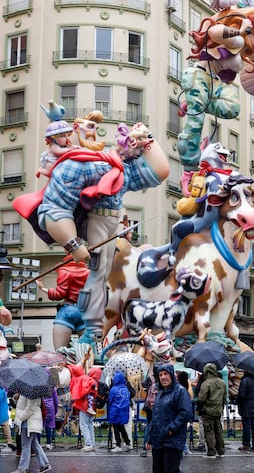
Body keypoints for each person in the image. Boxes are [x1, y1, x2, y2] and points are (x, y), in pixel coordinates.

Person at [13, 121, 169, 356]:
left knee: (106, 275)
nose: (92, 133)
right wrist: (73, 244)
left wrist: (147, 136)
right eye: (87, 129)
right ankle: (92, 332)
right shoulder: (75, 165)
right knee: (98, 274)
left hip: (112, 226)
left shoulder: (119, 167)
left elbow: (158, 172)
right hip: (95, 226)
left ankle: (100, 329)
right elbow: (53, 210)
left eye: (95, 130)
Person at [177, 4, 254, 193]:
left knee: (233, 107)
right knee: (195, 123)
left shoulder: (244, 50)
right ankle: (189, 171)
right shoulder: (237, 39)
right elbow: (214, 31)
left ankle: (192, 103)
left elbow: (252, 61)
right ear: (253, 29)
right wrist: (240, 29)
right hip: (198, 76)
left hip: (215, 84)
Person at [146, 364, 192, 473]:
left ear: (172, 375)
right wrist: (150, 437)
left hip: (173, 440)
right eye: (160, 375)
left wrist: (171, 429)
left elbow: (185, 413)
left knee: (171, 470)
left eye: (165, 374)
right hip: (158, 440)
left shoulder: (180, 391)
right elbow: (156, 416)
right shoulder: (160, 393)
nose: (163, 377)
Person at [36, 258, 89, 349]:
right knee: (87, 353)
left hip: (68, 309)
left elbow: (59, 294)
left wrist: (43, 288)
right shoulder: (89, 273)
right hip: (84, 312)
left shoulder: (64, 271)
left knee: (60, 353)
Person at [12, 395, 52, 473]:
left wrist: (20, 418)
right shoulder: (27, 391)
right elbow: (22, 405)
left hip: (28, 423)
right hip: (30, 422)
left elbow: (30, 409)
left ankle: (22, 468)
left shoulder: (32, 393)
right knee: (35, 444)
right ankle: (45, 464)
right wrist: (16, 398)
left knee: (26, 445)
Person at [197, 363, 227, 458]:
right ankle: (221, 450)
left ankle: (211, 451)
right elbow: (224, 397)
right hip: (218, 410)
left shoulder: (206, 383)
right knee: (218, 431)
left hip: (208, 410)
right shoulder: (222, 382)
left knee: (209, 431)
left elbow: (201, 398)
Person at [67, 363, 98, 452]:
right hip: (91, 405)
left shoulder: (77, 379)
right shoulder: (87, 378)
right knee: (90, 425)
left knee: (84, 426)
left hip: (83, 405)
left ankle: (88, 444)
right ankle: (92, 443)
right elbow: (93, 385)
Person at [107, 371, 132, 452]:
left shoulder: (113, 389)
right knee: (122, 428)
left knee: (116, 429)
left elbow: (110, 401)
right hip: (124, 411)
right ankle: (128, 443)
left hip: (115, 411)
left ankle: (118, 445)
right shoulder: (125, 388)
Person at [237, 370, 254, 451]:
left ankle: (246, 444)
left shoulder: (244, 380)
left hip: (245, 405)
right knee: (253, 425)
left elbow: (242, 394)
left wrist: (237, 401)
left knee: (246, 426)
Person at [140, 374, 158, 457]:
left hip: (150, 407)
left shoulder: (150, 378)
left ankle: (145, 448)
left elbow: (143, 384)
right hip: (160, 406)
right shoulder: (166, 379)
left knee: (148, 426)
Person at [42, 378, 59, 451]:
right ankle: (49, 443)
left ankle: (38, 443)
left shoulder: (39, 385)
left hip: (41, 406)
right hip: (50, 407)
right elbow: (56, 400)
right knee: (48, 426)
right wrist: (55, 410)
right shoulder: (52, 386)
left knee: (39, 425)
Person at [0, 386, 16, 451]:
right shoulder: (3, 390)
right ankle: (9, 441)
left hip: (1, 411)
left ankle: (9, 442)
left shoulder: (1, 391)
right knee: (6, 427)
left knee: (6, 426)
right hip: (3, 412)